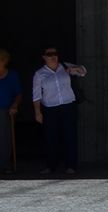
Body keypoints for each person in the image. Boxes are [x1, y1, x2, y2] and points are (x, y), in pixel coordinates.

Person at [32, 47, 85, 176]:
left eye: (55, 54)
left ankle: (71, 166)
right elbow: (36, 95)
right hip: (50, 109)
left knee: (70, 136)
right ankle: (50, 166)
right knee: (51, 138)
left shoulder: (65, 66)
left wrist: (75, 69)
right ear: (44, 57)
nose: (53, 56)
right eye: (49, 54)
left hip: (68, 106)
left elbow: (83, 72)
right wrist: (38, 112)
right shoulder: (40, 74)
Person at [0, 49, 20, 174]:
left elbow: (18, 93)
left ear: (4, 61)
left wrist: (15, 105)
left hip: (5, 110)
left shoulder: (12, 75)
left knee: (4, 138)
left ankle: (4, 164)